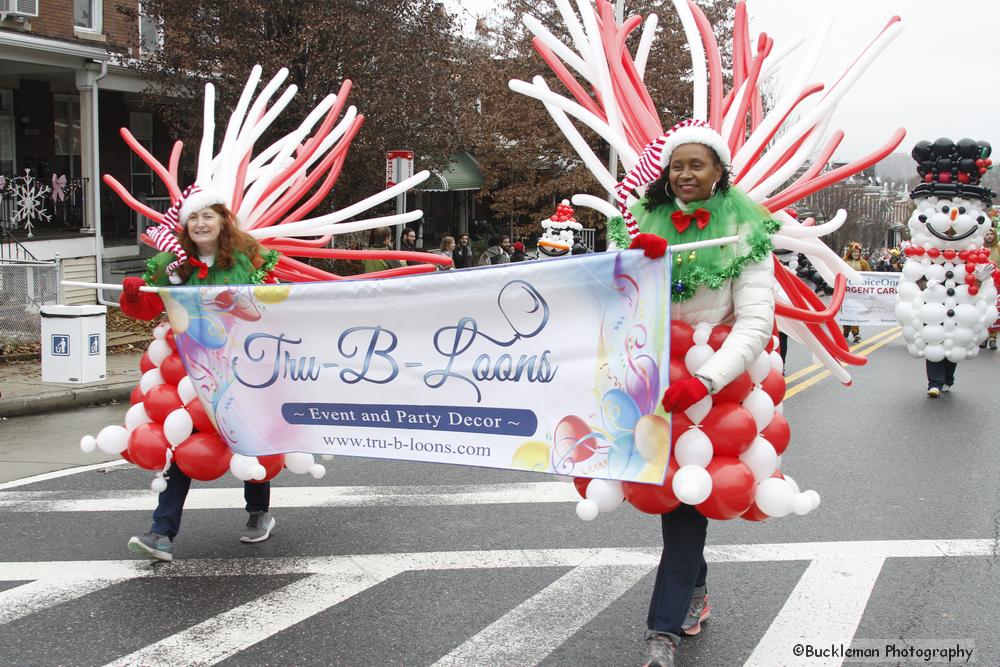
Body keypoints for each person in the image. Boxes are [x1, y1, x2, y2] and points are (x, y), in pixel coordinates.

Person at [620, 121, 776, 667]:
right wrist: (641, 266)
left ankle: (661, 632)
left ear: (718, 171)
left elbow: (756, 321)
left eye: (697, 164)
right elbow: (617, 301)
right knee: (682, 502)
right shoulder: (643, 221)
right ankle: (696, 591)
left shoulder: (746, 229)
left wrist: (706, 379)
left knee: (687, 505)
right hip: (655, 379)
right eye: (677, 164)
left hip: (717, 384)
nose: (684, 174)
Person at [119, 193, 281, 561]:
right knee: (182, 441)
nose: (200, 224)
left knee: (246, 439)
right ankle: (161, 532)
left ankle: (258, 512)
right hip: (187, 370)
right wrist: (133, 295)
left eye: (208, 216)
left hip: (237, 365)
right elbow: (146, 309)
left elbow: (272, 306)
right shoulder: (173, 265)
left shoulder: (248, 259)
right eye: (193, 218)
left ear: (223, 221)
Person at [841, 242, 870, 343]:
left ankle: (855, 332)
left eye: (858, 252)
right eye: (854, 252)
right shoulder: (844, 261)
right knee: (846, 311)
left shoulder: (863, 263)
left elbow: (869, 276)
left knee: (855, 311)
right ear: (850, 252)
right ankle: (846, 331)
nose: (856, 254)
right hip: (845, 292)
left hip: (857, 293)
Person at [984, 225, 999, 350]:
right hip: (983, 283)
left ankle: (993, 337)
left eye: (991, 234)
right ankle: (983, 336)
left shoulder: (998, 248)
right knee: (983, 309)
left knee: (995, 310)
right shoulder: (980, 248)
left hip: (997, 283)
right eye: (987, 234)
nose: (989, 236)